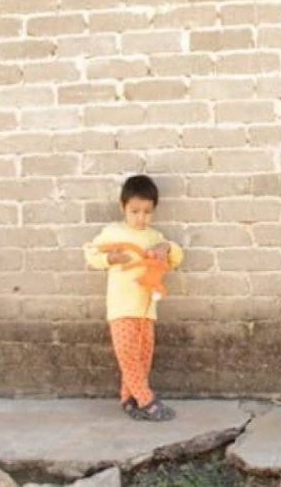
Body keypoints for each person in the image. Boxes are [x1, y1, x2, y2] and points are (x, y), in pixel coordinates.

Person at [84, 174, 184, 421]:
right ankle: (147, 400)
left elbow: (176, 257)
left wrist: (167, 247)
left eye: (147, 212)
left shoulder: (154, 237)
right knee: (128, 356)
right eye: (135, 211)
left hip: (146, 310)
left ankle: (128, 399)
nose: (141, 218)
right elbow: (90, 252)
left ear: (154, 211)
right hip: (121, 308)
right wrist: (110, 259)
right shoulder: (113, 232)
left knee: (142, 358)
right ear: (123, 207)